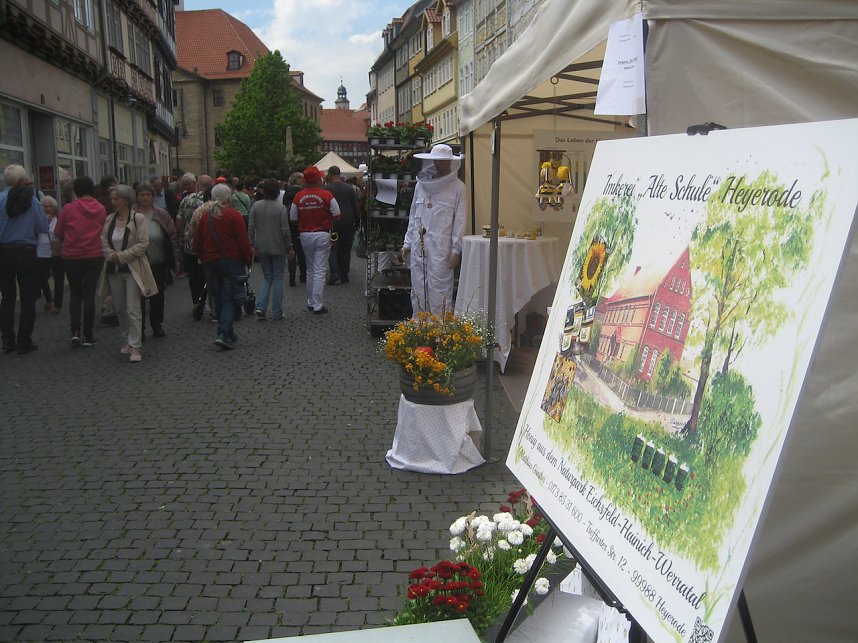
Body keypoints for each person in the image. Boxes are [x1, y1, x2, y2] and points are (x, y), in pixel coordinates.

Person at [401, 144, 466, 316]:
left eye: (443, 161)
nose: (439, 164)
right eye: (436, 160)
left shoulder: (458, 187)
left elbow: (460, 220)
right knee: (418, 287)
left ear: (451, 163)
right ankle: (419, 329)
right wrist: (407, 242)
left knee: (440, 288)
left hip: (441, 247)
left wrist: (456, 249)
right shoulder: (421, 186)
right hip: (418, 244)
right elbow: (414, 214)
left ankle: (440, 333)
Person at [101, 185, 158, 363]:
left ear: (125, 200)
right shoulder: (110, 219)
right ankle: (126, 339)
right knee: (119, 307)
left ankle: (135, 345)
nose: (113, 202)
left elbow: (142, 243)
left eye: (116, 199)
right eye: (112, 199)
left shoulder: (137, 219)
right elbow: (103, 240)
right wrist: (110, 255)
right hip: (114, 269)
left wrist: (122, 256)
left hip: (132, 269)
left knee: (133, 307)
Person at [194, 183, 252, 349]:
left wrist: (203, 257)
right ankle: (224, 333)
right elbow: (243, 241)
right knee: (228, 298)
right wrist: (247, 260)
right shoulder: (234, 216)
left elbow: (198, 240)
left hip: (210, 263)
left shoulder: (206, 217)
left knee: (218, 298)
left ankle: (226, 329)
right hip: (231, 262)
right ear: (229, 197)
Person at [0, 164, 49, 354]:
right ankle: (24, 340)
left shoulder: (0, 199)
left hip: (3, 252)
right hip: (27, 251)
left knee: (7, 297)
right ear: (21, 181)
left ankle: (7, 340)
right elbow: (42, 226)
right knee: (28, 298)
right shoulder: (33, 201)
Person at [55, 175, 107, 347]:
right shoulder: (100, 208)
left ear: (75, 190)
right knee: (89, 294)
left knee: (75, 294)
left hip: (71, 256)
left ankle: (75, 331)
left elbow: (58, 232)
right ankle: (89, 333)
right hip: (94, 255)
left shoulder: (68, 209)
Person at [289, 166, 340, 315]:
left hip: (305, 235)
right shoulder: (327, 194)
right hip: (322, 234)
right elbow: (337, 214)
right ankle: (318, 304)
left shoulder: (298, 196)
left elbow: (292, 217)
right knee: (319, 270)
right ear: (318, 179)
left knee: (310, 269)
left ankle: (311, 301)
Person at [135, 182, 181, 337]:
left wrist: (175, 260)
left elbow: (172, 236)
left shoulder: (161, 214)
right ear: (137, 197)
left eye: (148, 195)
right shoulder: (132, 215)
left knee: (157, 295)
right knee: (139, 296)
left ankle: (156, 324)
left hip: (159, 260)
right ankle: (139, 328)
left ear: (153, 197)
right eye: (142, 195)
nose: (145, 198)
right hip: (139, 262)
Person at [248, 178, 294, 320]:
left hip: (261, 246)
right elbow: (285, 230)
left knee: (267, 277)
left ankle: (261, 306)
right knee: (278, 278)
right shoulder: (280, 208)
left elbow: (250, 227)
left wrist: (251, 244)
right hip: (278, 246)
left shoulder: (256, 206)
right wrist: (290, 247)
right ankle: (277, 311)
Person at [176, 173, 212, 307]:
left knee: (192, 274)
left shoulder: (187, 199)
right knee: (204, 272)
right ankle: (203, 298)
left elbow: (179, 219)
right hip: (205, 244)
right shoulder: (209, 201)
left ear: (197, 185)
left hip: (189, 242)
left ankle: (195, 300)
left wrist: (181, 236)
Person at [324, 166, 359, 285]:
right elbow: (355, 207)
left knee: (333, 247)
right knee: (346, 249)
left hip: (332, 223)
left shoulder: (326, 189)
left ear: (330, 174)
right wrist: (357, 222)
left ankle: (334, 272)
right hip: (348, 222)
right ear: (339, 174)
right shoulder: (349, 188)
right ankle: (344, 274)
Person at [283, 172, 307, 286]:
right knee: (302, 252)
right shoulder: (301, 193)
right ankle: (303, 275)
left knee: (291, 251)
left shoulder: (287, 192)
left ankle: (291, 277)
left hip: (289, 224)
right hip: (300, 224)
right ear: (298, 180)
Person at [41, 195, 64, 314]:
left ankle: (57, 304)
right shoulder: (39, 218)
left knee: (58, 278)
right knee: (41, 276)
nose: (48, 209)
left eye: (50, 206)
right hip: (42, 251)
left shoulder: (59, 218)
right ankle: (48, 298)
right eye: (45, 206)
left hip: (56, 251)